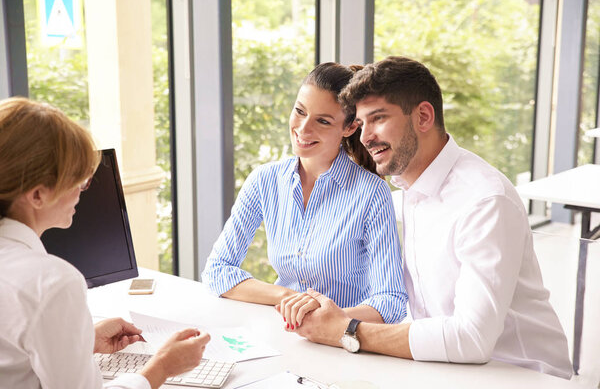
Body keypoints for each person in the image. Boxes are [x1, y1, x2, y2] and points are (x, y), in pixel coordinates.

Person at [282, 56, 573, 379]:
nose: (365, 138)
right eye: (362, 124)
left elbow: (471, 338)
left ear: (423, 116)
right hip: (448, 371)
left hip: (523, 375)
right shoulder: (409, 188)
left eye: (378, 119)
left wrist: (347, 330)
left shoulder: (485, 200)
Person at [0, 97, 211, 389]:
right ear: (38, 195)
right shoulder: (50, 283)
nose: (81, 192)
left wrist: (80, 339)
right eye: (78, 180)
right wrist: (162, 366)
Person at [202, 62, 407, 326]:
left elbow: (390, 301)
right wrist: (290, 297)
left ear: (349, 128)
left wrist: (328, 314)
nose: (303, 129)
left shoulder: (371, 194)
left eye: (322, 121)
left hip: (342, 343)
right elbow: (217, 271)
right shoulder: (265, 180)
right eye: (300, 111)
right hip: (282, 332)